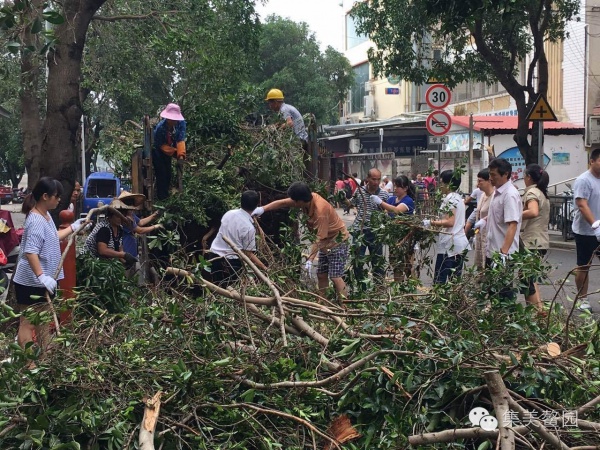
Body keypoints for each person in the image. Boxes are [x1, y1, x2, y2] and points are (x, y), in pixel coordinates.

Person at [13, 177, 88, 351]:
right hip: (31, 281)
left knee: (44, 323)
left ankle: (45, 361)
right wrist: (41, 276)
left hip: (43, 279)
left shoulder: (44, 215)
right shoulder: (36, 221)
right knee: (29, 324)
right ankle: (30, 365)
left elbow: (53, 237)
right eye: (57, 196)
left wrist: (73, 228)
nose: (59, 199)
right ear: (45, 196)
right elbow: (30, 252)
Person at [253, 182, 349, 301]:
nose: (292, 202)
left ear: (300, 201)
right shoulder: (306, 199)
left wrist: (310, 259)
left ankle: (345, 307)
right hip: (325, 242)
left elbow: (318, 239)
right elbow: (282, 202)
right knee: (321, 274)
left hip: (337, 241)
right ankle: (324, 304)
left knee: (335, 277)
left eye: (294, 201)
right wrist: (263, 209)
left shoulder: (320, 212)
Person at [209, 190, 267, 287]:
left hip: (214, 256)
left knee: (217, 287)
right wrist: (264, 268)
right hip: (232, 263)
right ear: (256, 205)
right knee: (232, 291)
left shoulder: (228, 213)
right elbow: (248, 253)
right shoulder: (249, 228)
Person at [485, 158, 523, 299]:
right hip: (492, 251)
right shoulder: (497, 192)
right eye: (490, 174)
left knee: (503, 294)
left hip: (502, 255)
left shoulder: (510, 194)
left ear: (505, 174)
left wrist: (503, 254)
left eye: (494, 175)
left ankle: (508, 319)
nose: (490, 178)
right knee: (493, 292)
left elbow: (512, 224)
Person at [423, 170, 469, 284]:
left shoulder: (450, 198)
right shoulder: (458, 197)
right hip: (458, 243)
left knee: (440, 281)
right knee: (454, 281)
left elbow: (450, 222)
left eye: (442, 182)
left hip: (450, 245)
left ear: (449, 184)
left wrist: (431, 222)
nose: (440, 185)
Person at [347, 168, 390, 289]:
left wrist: (384, 217)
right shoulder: (359, 191)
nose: (376, 182)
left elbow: (386, 211)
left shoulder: (383, 194)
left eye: (378, 179)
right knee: (357, 260)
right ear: (367, 179)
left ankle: (379, 289)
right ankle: (361, 287)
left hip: (375, 232)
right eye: (373, 179)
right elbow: (351, 203)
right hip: (359, 231)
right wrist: (342, 198)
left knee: (377, 262)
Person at [371, 175, 416, 281]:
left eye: (398, 187)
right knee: (396, 265)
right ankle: (398, 290)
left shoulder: (408, 201)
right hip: (393, 239)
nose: (395, 189)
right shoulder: (391, 199)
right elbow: (386, 213)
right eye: (394, 186)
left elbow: (396, 210)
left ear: (405, 188)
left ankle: (412, 291)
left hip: (405, 239)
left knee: (407, 265)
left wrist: (381, 202)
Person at [572, 148, 600, 310]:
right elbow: (582, 204)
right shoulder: (584, 180)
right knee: (584, 266)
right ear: (592, 161)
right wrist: (595, 225)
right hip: (585, 232)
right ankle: (582, 299)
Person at [520, 164, 550, 313]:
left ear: (529, 177)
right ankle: (540, 311)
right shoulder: (541, 192)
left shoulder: (532, 192)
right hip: (541, 242)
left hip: (531, 242)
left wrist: (513, 215)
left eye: (524, 176)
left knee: (526, 281)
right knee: (531, 279)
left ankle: (532, 315)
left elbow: (533, 211)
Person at [83, 199, 138, 268]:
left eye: (121, 217)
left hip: (104, 262)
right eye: (117, 216)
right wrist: (123, 255)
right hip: (91, 263)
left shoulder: (119, 228)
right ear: (110, 216)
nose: (120, 219)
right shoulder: (104, 228)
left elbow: (119, 248)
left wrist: (125, 261)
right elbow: (102, 251)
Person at [153, 103, 187, 200]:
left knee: (168, 174)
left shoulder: (181, 123)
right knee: (162, 173)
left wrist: (181, 155)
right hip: (159, 151)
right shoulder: (160, 128)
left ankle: (166, 196)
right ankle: (162, 198)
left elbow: (181, 138)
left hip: (170, 148)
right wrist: (174, 152)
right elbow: (160, 145)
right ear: (167, 118)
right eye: (172, 119)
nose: (174, 121)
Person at [464, 169, 494, 270]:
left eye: (480, 181)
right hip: (480, 236)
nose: (478, 184)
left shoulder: (495, 197)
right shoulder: (482, 196)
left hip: (491, 238)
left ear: (489, 181)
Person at [117, 191, 161, 258]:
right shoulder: (124, 218)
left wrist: (154, 215)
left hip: (132, 245)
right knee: (128, 262)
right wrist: (155, 226)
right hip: (126, 245)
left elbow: (140, 222)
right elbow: (139, 230)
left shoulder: (131, 214)